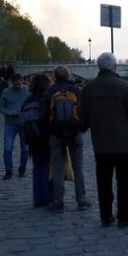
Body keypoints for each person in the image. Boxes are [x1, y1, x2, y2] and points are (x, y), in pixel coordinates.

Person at [80, 53, 128, 227]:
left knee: (103, 181)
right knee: (124, 181)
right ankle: (124, 216)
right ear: (115, 66)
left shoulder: (88, 88)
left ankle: (106, 216)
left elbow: (81, 116)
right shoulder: (124, 87)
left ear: (98, 67)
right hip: (123, 143)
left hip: (100, 143)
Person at [40, 66, 91, 213]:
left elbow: (43, 117)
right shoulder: (77, 91)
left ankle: (58, 202)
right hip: (75, 134)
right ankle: (81, 200)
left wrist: (51, 131)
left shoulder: (49, 92)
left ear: (54, 76)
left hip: (56, 135)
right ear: (68, 75)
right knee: (78, 167)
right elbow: (86, 113)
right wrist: (81, 129)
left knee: (58, 168)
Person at [22, 73, 53, 207]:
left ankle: (38, 199)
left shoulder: (28, 100)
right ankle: (49, 198)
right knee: (48, 168)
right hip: (46, 137)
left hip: (32, 138)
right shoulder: (48, 98)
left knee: (37, 168)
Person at [0, 73, 29, 179]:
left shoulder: (28, 91)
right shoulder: (6, 92)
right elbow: (0, 107)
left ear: (22, 81)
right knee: (7, 148)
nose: (17, 86)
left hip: (24, 123)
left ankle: (22, 169)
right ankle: (8, 171)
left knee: (25, 148)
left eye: (19, 84)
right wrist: (8, 112)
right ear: (12, 82)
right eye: (15, 84)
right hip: (10, 123)